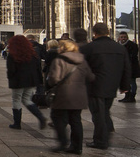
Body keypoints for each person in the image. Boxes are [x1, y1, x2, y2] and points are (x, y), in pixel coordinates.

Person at [83, 22, 131, 150]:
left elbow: (81, 68)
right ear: (108, 32)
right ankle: (107, 130)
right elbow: (127, 68)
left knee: (98, 115)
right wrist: (124, 86)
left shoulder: (89, 48)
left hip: (94, 86)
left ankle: (100, 141)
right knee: (104, 111)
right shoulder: (119, 48)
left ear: (94, 33)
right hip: (112, 86)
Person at [46, 37, 95, 155]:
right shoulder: (82, 60)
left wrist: (49, 83)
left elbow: (54, 79)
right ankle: (77, 147)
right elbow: (91, 77)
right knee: (76, 120)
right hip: (79, 95)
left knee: (57, 117)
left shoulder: (59, 60)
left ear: (62, 48)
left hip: (63, 94)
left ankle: (62, 142)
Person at [6, 34, 46, 130]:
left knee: (16, 100)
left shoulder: (12, 54)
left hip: (18, 81)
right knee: (27, 99)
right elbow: (38, 68)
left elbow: (11, 70)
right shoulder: (32, 54)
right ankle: (41, 117)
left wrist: (10, 78)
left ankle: (17, 123)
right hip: (31, 81)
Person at [117, 33, 138, 102]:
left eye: (125, 37)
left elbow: (133, 57)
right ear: (119, 38)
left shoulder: (132, 45)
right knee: (126, 82)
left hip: (131, 67)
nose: (123, 38)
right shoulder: (118, 45)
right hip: (123, 68)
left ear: (127, 37)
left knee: (132, 82)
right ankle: (127, 96)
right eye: (122, 37)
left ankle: (132, 96)